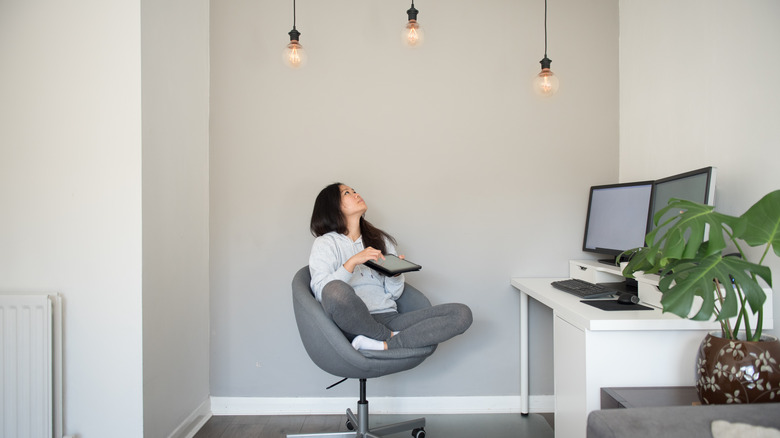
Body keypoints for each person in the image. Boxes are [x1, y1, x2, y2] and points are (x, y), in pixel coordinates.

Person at [308, 182, 472, 351]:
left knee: (461, 314)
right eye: (347, 193)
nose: (356, 194)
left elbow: (394, 294)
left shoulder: (379, 240)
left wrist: (395, 275)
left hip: (389, 318)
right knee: (334, 289)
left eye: (355, 191)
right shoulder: (325, 243)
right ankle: (385, 337)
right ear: (332, 206)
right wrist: (352, 262)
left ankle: (385, 344)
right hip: (354, 324)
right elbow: (322, 292)